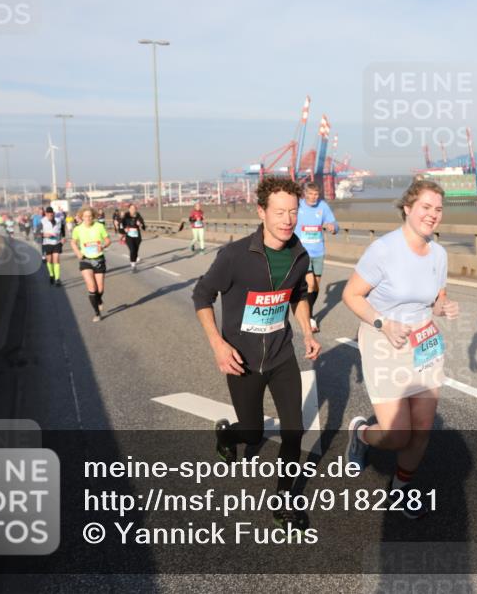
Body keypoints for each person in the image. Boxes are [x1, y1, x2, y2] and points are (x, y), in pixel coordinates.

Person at [192, 177, 321, 531]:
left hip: (281, 357)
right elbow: (202, 296)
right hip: (243, 360)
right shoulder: (234, 256)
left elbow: (297, 295)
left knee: (294, 432)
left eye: (293, 212)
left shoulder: (300, 255)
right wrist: (219, 344)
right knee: (251, 433)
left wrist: (307, 330)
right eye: (279, 212)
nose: (287, 220)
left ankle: (282, 503)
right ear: (261, 211)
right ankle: (226, 435)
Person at [341, 180, 459, 520]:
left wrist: (444, 308)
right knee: (396, 434)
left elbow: (437, 298)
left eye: (438, 209)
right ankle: (361, 434)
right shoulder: (384, 250)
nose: (432, 215)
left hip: (423, 341)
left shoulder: (439, 254)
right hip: (384, 340)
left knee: (421, 428)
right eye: (425, 207)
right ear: (407, 208)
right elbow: (352, 295)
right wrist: (383, 324)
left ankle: (401, 488)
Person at [296, 181, 338, 333]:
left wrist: (333, 227)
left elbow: (334, 223)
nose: (314, 197)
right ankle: (309, 317)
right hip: (302, 252)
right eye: (311, 194)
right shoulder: (298, 206)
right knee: (311, 284)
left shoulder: (323, 206)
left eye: (316, 194)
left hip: (318, 252)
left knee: (316, 286)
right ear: (305, 193)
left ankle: (307, 310)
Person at [70, 206, 111, 322]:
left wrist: (103, 245)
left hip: (98, 259)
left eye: (90, 216)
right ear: (82, 217)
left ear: (93, 216)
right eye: (85, 216)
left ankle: (99, 299)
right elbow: (73, 242)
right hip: (85, 260)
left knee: (100, 288)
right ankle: (97, 313)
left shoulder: (99, 226)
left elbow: (108, 240)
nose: (88, 218)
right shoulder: (78, 229)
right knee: (92, 287)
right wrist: (78, 252)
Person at [39, 206, 65, 286]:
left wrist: (63, 237)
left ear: (53, 213)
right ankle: (51, 274)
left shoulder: (58, 220)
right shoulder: (42, 221)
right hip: (47, 243)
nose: (50, 215)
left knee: (56, 259)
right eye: (48, 214)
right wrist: (44, 235)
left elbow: (62, 229)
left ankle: (57, 279)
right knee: (49, 260)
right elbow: (37, 233)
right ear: (46, 214)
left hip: (57, 243)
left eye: (51, 214)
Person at [120, 204, 147, 272]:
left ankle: (134, 262)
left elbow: (144, 226)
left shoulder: (138, 216)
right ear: (129, 209)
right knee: (132, 250)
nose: (133, 210)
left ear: (136, 209)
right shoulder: (125, 216)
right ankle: (133, 265)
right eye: (131, 208)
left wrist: (140, 224)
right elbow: (121, 226)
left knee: (135, 250)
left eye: (134, 208)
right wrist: (124, 230)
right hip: (129, 236)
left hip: (137, 237)